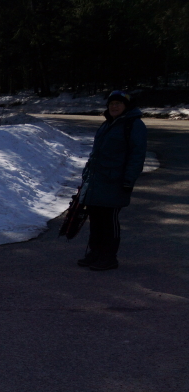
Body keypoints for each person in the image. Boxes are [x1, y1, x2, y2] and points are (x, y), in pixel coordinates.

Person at [77, 91, 147, 271]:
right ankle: (95, 253)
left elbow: (137, 156)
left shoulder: (133, 125)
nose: (114, 106)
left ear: (126, 106)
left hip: (116, 181)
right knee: (96, 219)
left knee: (109, 220)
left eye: (118, 103)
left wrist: (128, 180)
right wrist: (87, 175)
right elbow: (96, 154)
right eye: (111, 103)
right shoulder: (108, 124)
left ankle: (109, 257)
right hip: (97, 180)